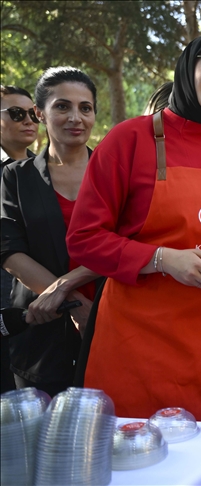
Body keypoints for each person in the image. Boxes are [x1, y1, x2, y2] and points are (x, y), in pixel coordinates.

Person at [66, 32, 201, 426]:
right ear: (189, 64)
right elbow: (83, 240)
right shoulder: (128, 139)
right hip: (144, 352)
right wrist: (160, 258)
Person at [1, 68, 100, 397]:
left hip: (109, 321)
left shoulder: (115, 172)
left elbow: (130, 242)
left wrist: (89, 306)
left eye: (85, 108)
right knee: (43, 442)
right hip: (40, 330)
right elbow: (9, 251)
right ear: (41, 114)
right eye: (62, 106)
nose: (75, 117)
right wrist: (72, 301)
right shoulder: (15, 177)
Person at [0, 84, 40, 393]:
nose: (28, 120)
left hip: (45, 306)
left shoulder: (47, 170)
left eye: (34, 113)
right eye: (16, 113)